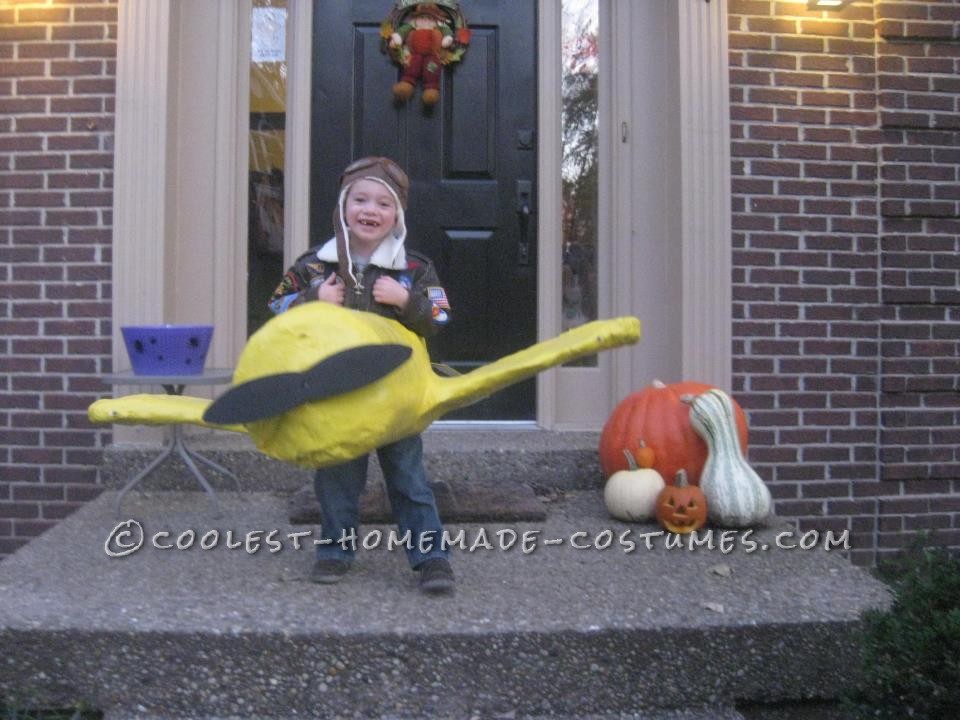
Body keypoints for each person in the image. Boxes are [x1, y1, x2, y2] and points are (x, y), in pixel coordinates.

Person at [267, 156, 454, 594]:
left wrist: (407, 302)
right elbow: (275, 305)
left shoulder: (415, 268)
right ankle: (335, 549)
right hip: (337, 397)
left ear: (397, 216)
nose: (370, 210)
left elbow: (442, 316)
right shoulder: (315, 265)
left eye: (383, 204)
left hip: (396, 399)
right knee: (335, 478)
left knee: (409, 479)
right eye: (360, 199)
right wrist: (312, 297)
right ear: (342, 207)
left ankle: (430, 557)